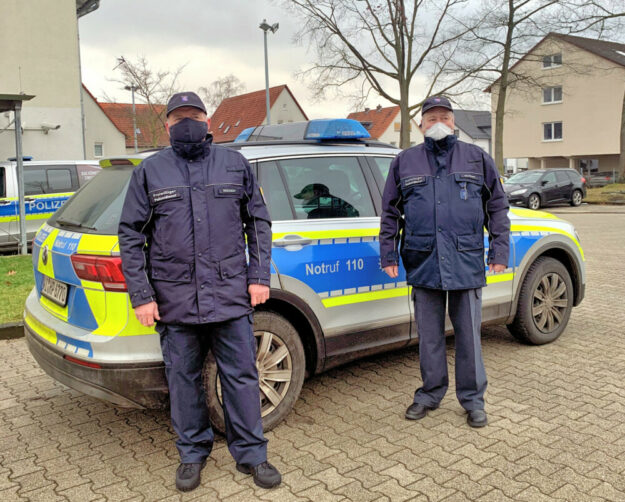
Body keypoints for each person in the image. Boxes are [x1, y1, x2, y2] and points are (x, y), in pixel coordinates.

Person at [118, 92, 281, 492]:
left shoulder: (234, 164)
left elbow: (257, 222)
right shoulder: (150, 171)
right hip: (174, 300)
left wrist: (259, 277)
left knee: (241, 377)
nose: (187, 122)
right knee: (184, 380)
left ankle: (252, 455)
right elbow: (130, 234)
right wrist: (141, 296)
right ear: (168, 126)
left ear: (207, 123)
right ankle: (192, 453)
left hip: (230, 296)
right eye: (179, 117)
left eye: (194, 115)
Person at [379, 96, 510, 428]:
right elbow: (390, 211)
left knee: (468, 336)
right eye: (431, 117)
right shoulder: (404, 162)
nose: (438, 122)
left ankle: (473, 400)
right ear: (421, 124)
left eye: (445, 117)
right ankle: (430, 393)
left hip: (465, 260)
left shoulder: (477, 158)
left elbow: (497, 207)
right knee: (430, 336)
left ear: (454, 123)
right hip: (423, 259)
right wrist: (388, 253)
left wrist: (499, 252)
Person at [294, 183, 359, 219]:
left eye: (305, 192)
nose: (303, 199)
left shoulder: (317, 211)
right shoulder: (341, 203)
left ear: (316, 192)